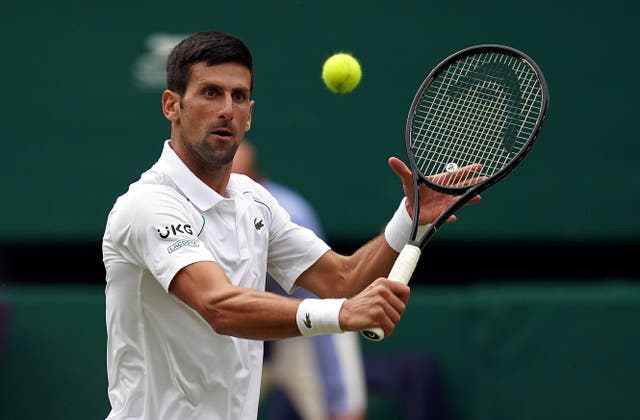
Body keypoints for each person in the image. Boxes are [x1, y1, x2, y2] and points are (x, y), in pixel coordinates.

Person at [102, 30, 482, 420]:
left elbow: (342, 279)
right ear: (172, 105)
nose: (226, 110)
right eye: (210, 93)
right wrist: (340, 314)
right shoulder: (147, 205)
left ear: (250, 113)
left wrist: (409, 218)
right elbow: (218, 306)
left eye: (238, 96)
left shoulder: (255, 201)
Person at [232, 140, 367, 420]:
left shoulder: (289, 214)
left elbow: (324, 303)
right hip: (241, 327)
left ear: (259, 181)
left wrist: (338, 399)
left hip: (305, 328)